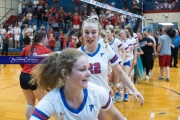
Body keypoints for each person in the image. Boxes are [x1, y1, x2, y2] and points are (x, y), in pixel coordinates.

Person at [29, 48, 127, 120]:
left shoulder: (98, 93)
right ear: (65, 73)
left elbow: (115, 116)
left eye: (88, 68)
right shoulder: (52, 99)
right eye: (83, 69)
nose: (89, 73)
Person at [78, 18, 144, 120]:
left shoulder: (106, 50)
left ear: (99, 33)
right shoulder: (77, 54)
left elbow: (121, 73)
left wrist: (134, 89)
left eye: (93, 32)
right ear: (82, 33)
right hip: (83, 99)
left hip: (102, 98)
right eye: (86, 32)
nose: (90, 36)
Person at [19, 30, 51, 120]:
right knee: (45, 104)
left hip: (23, 76)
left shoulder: (27, 48)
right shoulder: (46, 50)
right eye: (47, 37)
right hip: (35, 77)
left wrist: (26, 70)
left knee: (30, 104)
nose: (47, 39)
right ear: (43, 39)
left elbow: (20, 61)